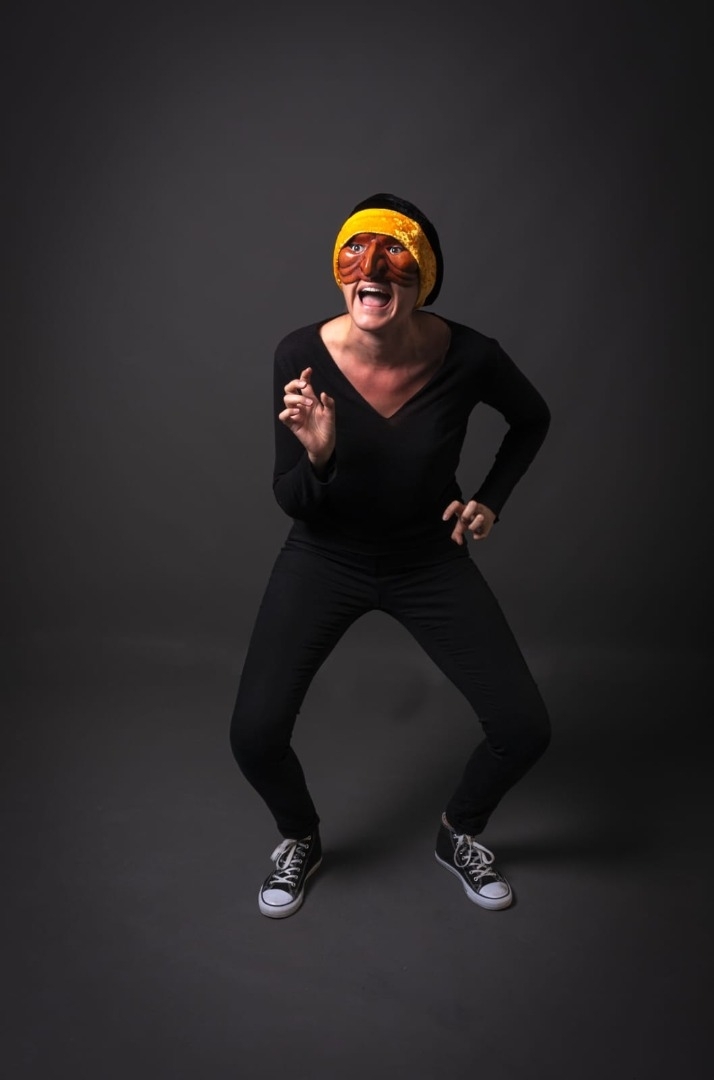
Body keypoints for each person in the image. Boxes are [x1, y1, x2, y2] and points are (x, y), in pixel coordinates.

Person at [230, 193, 551, 918]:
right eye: (356, 252)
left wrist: (490, 498)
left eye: (392, 255)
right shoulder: (300, 353)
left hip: (427, 559)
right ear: (339, 270)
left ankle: (458, 831)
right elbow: (290, 497)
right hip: (324, 557)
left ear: (422, 277)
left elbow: (531, 419)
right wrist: (319, 457)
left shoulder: (470, 355)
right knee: (253, 736)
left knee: (524, 729)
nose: (371, 268)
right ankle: (300, 837)